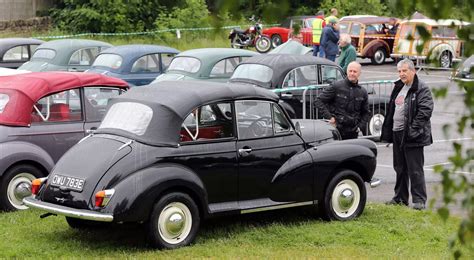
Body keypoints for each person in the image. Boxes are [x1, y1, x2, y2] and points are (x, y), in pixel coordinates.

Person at [381, 58, 434, 210]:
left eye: (404, 71)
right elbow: (393, 109)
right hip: (397, 133)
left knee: (415, 169)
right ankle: (400, 198)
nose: (402, 74)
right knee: (400, 167)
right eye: (399, 71)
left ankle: (419, 200)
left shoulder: (421, 88)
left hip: (413, 135)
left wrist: (412, 130)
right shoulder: (399, 87)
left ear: (413, 71)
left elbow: (425, 111)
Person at [315, 61, 369, 140]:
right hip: (336, 130)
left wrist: (360, 127)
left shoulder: (362, 92)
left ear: (359, 73)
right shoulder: (336, 86)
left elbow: (366, 112)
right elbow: (318, 101)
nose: (352, 73)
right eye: (350, 71)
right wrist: (330, 117)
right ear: (347, 71)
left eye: (355, 71)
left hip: (353, 132)